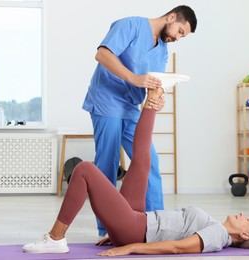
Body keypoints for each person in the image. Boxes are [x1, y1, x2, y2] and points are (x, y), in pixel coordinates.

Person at [23, 87, 249, 255]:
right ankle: (153, 99)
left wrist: (130, 246)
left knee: (85, 169)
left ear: (245, 235)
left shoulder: (219, 236)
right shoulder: (217, 227)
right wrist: (120, 233)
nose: (242, 213)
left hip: (136, 227)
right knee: (142, 160)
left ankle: (56, 237)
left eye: (247, 219)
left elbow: (176, 248)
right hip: (137, 220)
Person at [82, 4, 198, 238]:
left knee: (148, 160)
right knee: (107, 163)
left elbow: (155, 81)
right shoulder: (131, 25)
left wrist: (159, 97)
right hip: (107, 100)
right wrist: (134, 78)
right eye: (179, 31)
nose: (177, 37)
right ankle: (107, 229)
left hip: (130, 106)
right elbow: (102, 54)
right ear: (172, 17)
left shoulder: (163, 49)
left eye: (182, 36)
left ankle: (158, 224)